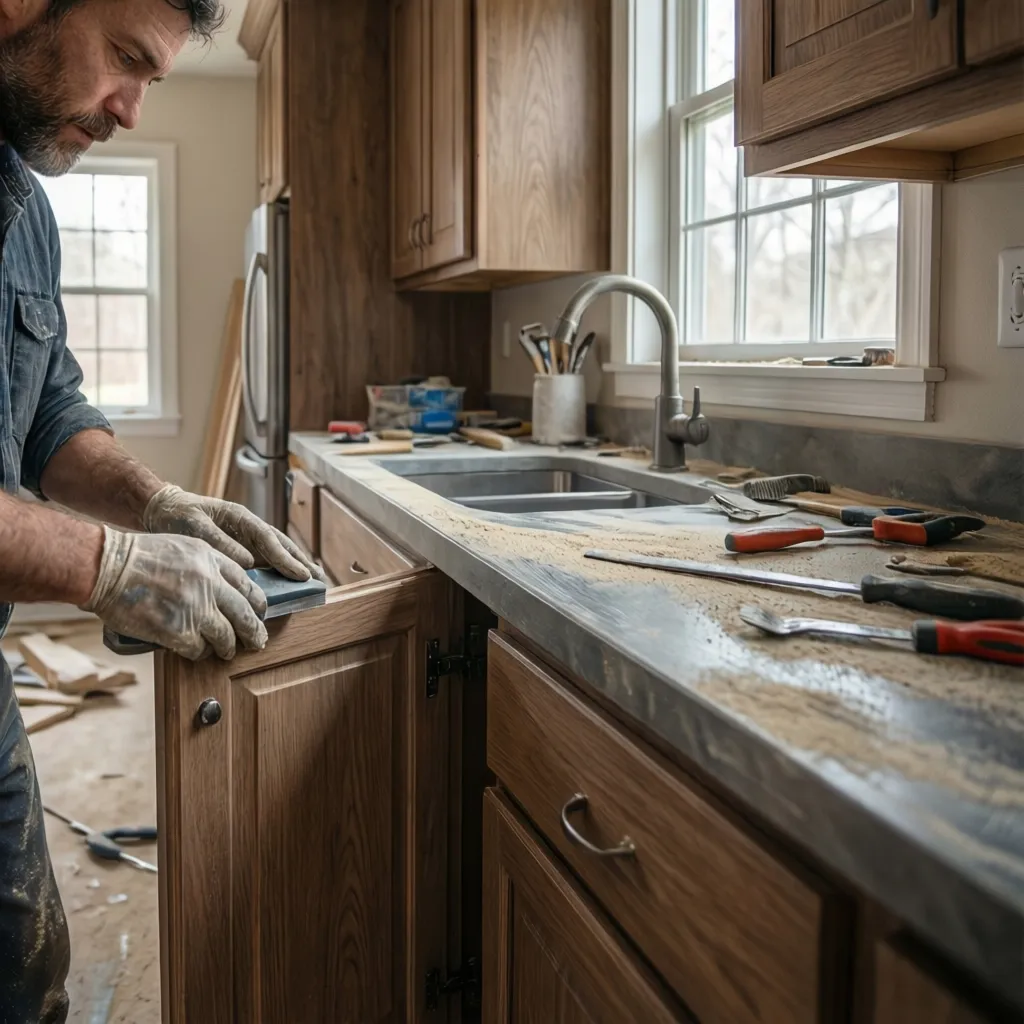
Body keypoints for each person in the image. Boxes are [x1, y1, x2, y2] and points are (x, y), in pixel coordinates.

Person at [0, 0, 323, 1017]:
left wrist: (158, 504)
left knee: (21, 969)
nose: (129, 109)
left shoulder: (25, 207)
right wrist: (111, 568)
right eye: (124, 60)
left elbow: (49, 411)